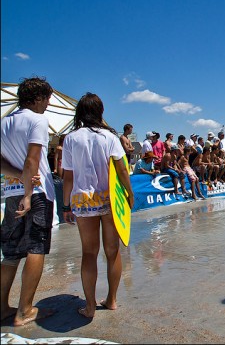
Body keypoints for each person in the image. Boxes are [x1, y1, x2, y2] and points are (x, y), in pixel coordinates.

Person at [61, 92, 134, 318]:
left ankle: (90, 307)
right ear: (100, 112)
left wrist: (65, 207)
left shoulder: (71, 138)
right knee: (113, 252)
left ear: (80, 113)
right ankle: (111, 300)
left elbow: (68, 177)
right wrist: (130, 194)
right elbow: (122, 169)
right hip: (110, 200)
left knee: (89, 253)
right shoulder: (110, 137)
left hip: (84, 202)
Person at [1, 77, 56, 326]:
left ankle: (2, 306)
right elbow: (32, 159)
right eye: (46, 100)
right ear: (37, 99)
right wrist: (28, 192)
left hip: (11, 191)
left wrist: (18, 179)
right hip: (35, 194)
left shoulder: (4, 123)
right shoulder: (37, 120)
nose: (47, 105)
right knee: (36, 247)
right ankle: (25, 310)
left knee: (11, 252)